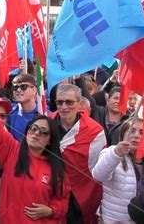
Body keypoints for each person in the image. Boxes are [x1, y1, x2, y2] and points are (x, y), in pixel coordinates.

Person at [0, 77, 70, 223]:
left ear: (50, 139)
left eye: (43, 131)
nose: (36, 133)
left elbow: (63, 201)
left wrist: (51, 210)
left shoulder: (56, 167)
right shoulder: (12, 151)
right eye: (33, 128)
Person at [52, 83, 106, 224]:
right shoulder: (46, 123)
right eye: (60, 102)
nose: (64, 107)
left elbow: (98, 169)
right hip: (50, 192)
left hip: (79, 195)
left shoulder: (94, 131)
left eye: (69, 102)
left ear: (80, 103)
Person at [92, 118, 144, 223]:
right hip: (115, 220)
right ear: (123, 134)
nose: (136, 135)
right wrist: (116, 154)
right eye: (132, 130)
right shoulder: (110, 152)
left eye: (142, 132)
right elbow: (99, 175)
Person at [8, 74, 39, 141]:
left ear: (34, 90)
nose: (18, 90)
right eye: (15, 87)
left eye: (23, 87)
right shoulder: (9, 114)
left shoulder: (44, 113)